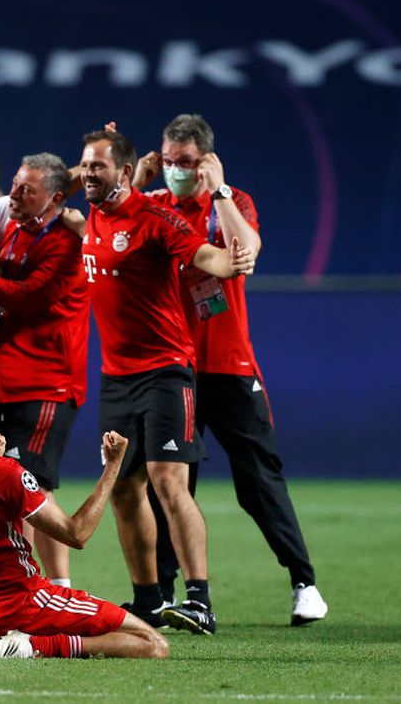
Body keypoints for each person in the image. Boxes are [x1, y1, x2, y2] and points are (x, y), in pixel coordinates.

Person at [139, 113, 327, 626]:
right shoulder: (152, 206)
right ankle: (163, 592)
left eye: (187, 162)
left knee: (258, 481)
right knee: (170, 483)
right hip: (172, 367)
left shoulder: (232, 203)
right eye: (169, 161)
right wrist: (137, 180)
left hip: (228, 364)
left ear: (207, 161)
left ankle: (304, 582)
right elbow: (107, 223)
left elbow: (249, 253)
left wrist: (219, 191)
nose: (176, 170)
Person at [78, 127, 253, 636]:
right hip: (116, 377)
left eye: (98, 167)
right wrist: (105, 161)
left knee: (168, 481)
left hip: (165, 371)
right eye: (84, 166)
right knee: (123, 490)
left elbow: (211, 259)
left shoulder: (155, 219)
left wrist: (230, 259)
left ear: (125, 173)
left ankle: (198, 597)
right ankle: (148, 600)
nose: (87, 175)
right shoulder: (90, 211)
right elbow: (49, 187)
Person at [0, 369, 167, 659]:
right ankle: (33, 645)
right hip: (24, 605)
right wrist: (112, 467)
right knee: (152, 642)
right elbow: (77, 533)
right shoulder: (5, 472)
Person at [0, 153, 87, 589]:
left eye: (28, 190)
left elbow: (30, 297)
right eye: (15, 183)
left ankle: (55, 587)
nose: (16, 194)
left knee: (31, 487)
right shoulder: (15, 227)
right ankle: (32, 585)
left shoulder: (66, 241)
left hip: (46, 381)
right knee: (15, 484)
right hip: (8, 379)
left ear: (54, 199)